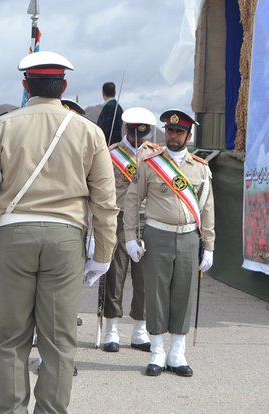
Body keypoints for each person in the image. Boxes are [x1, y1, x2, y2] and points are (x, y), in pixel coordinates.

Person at [0, 51, 118, 413]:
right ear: (63, 87)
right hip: (66, 241)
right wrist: (103, 254)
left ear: (24, 85)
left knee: (10, 340)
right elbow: (106, 203)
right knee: (59, 343)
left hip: (13, 239)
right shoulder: (89, 132)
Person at [123, 109, 214, 378]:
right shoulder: (150, 164)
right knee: (156, 292)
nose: (173, 136)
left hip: (188, 237)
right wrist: (130, 236)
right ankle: (157, 352)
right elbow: (131, 200)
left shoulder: (200, 167)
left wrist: (209, 245)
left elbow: (207, 208)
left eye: (179, 132)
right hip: (156, 234)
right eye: (170, 131)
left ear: (189, 135)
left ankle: (177, 353)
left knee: (183, 294)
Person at [103, 107, 157, 354]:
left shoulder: (156, 156)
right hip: (120, 218)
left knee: (144, 277)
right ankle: (112, 329)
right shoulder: (111, 155)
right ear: (126, 129)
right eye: (135, 134)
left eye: (143, 135)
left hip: (147, 219)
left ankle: (139, 329)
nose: (138, 140)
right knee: (116, 274)